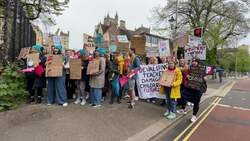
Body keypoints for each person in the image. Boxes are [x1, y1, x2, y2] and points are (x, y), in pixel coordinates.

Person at [177, 58, 207, 122]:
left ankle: (194, 116)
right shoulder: (190, 69)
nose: (193, 62)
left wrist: (204, 78)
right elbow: (186, 75)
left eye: (195, 61)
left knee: (196, 102)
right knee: (182, 95)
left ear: (198, 62)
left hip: (198, 88)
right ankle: (184, 108)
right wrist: (187, 76)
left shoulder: (202, 69)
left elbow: (205, 78)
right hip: (190, 87)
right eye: (192, 61)